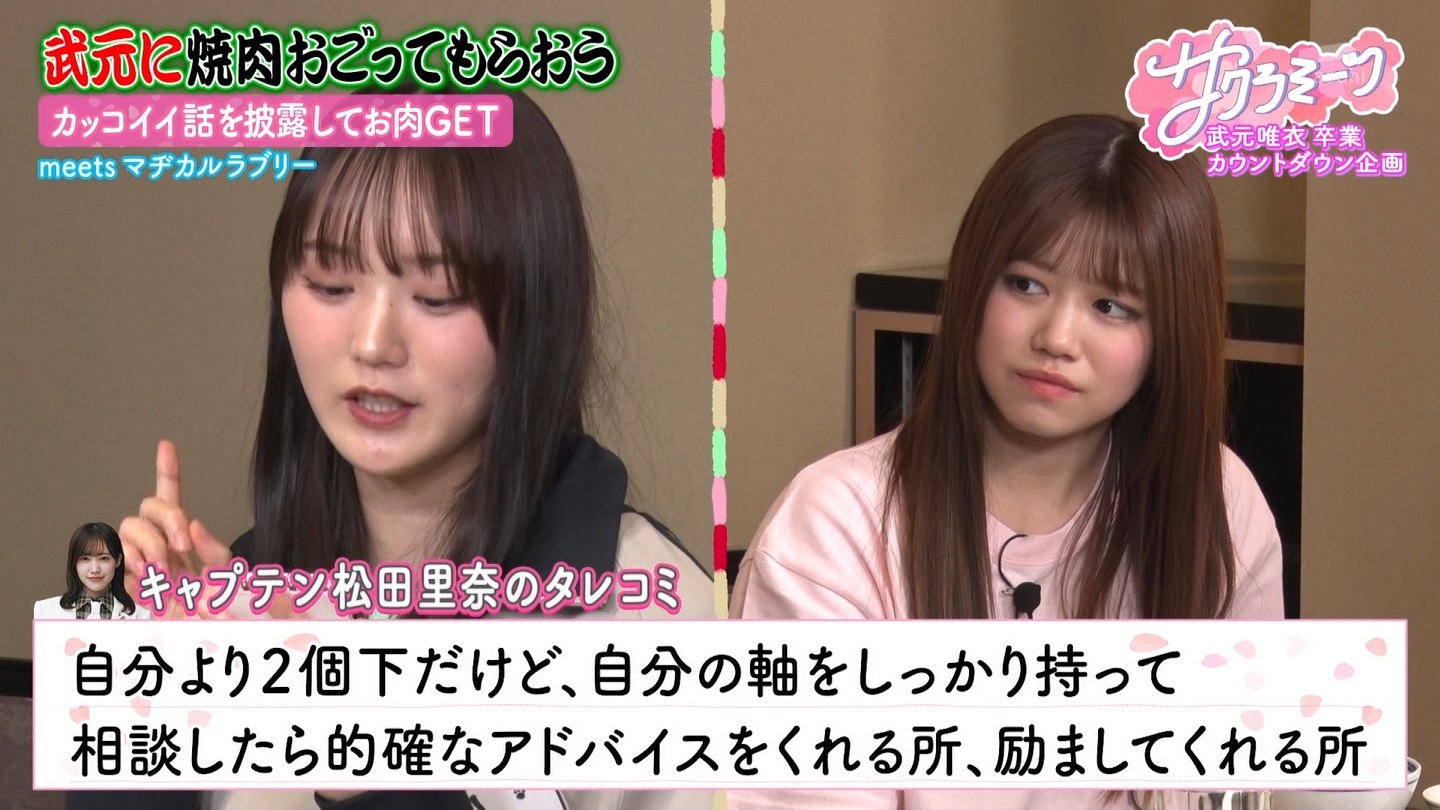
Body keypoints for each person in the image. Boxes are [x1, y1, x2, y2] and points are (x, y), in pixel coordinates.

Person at [67, 86, 714, 810]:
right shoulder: (235, 606)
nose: (374, 344)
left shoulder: (654, 625)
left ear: (536, 313)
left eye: (437, 296)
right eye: (330, 284)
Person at [727, 114, 1284, 810]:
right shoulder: (834, 529)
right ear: (973, 282)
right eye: (1025, 284)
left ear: (1172, 332)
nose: (1057, 338)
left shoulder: (1217, 502)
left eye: (1111, 306)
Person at [34, 522, 148, 620]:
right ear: (74, 562)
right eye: (85, 559)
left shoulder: (140, 616)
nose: (94, 569)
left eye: (104, 558)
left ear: (117, 560)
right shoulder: (46, 611)